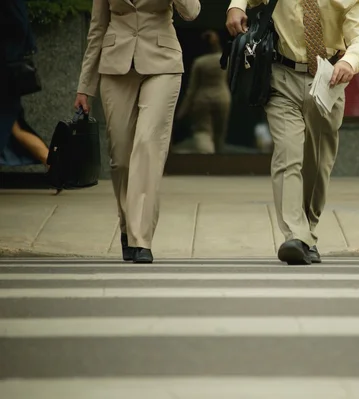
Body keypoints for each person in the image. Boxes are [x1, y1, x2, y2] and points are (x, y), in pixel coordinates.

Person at [226, 0, 359, 265]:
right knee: (288, 155)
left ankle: (307, 230)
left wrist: (350, 61)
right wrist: (236, 6)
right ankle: (294, 235)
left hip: (329, 77)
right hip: (280, 74)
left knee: (318, 164)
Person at [75, 0, 201, 264]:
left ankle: (140, 239)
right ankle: (127, 227)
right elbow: (97, 27)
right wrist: (85, 85)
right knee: (120, 158)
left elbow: (191, 12)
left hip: (162, 64)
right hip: (115, 64)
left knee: (147, 146)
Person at [0, 0, 50, 172]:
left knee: (11, 124)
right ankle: (56, 166)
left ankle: (56, 166)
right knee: (14, 127)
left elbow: (19, 25)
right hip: (8, 68)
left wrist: (10, 59)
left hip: (6, 71)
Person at [174, 30, 231, 154]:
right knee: (219, 133)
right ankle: (219, 159)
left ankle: (206, 156)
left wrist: (182, 111)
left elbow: (192, 89)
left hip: (202, 98)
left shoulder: (200, 62)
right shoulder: (225, 59)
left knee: (203, 130)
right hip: (222, 97)